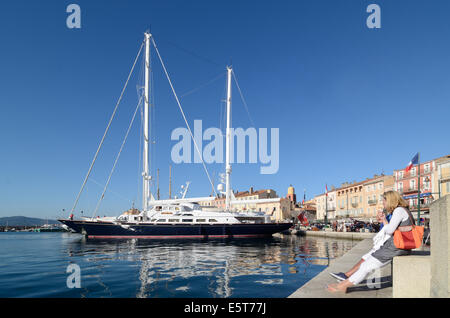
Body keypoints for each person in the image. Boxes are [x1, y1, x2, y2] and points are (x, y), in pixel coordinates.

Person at [327, 190, 413, 293]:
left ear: (390, 200)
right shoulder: (403, 210)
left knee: (366, 266)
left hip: (396, 247)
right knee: (366, 263)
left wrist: (384, 228)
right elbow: (392, 228)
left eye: (384, 201)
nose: (383, 203)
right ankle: (343, 284)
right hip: (398, 245)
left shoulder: (399, 210)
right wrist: (384, 220)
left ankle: (342, 286)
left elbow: (390, 230)